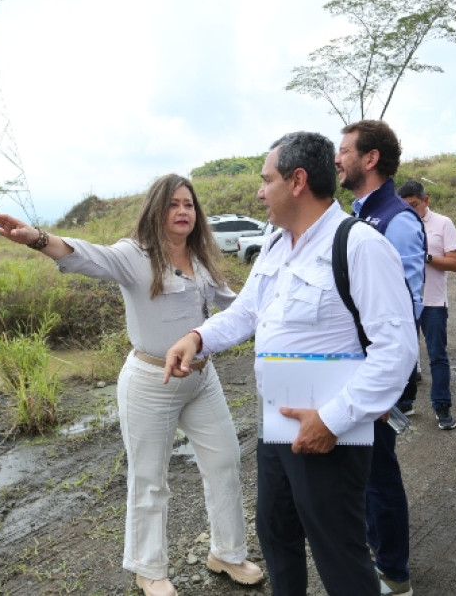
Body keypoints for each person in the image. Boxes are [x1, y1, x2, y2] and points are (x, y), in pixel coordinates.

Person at [0, 175, 264, 596]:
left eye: (189, 204)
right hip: (151, 381)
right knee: (150, 478)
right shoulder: (134, 256)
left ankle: (226, 552)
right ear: (156, 211)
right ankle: (149, 569)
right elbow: (83, 255)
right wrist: (36, 238)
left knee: (224, 464)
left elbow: (235, 306)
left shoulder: (201, 259)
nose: (183, 211)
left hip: (203, 378)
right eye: (173, 205)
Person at [163, 131, 418, 596]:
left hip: (332, 435)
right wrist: (197, 338)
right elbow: (246, 312)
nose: (260, 191)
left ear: (297, 180)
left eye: (267, 180)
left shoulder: (359, 245)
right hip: (277, 427)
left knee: (338, 552)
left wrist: (333, 419)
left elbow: (397, 351)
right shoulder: (278, 244)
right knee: (277, 534)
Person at [336, 119, 423, 596]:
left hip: (380, 370)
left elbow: (404, 309)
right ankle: (376, 554)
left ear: (370, 159)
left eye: (345, 149)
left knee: (379, 474)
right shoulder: (359, 215)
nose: (338, 158)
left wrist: (389, 381)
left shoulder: (398, 219)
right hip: (357, 367)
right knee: (362, 472)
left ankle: (394, 573)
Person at [397, 180, 456, 430]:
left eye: (414, 205)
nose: (410, 211)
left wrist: (425, 257)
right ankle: (405, 402)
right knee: (405, 355)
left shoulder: (443, 224)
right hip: (405, 301)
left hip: (433, 301)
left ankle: (442, 406)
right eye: (405, 207)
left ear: (426, 200)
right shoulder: (399, 226)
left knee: (437, 356)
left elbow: (455, 263)